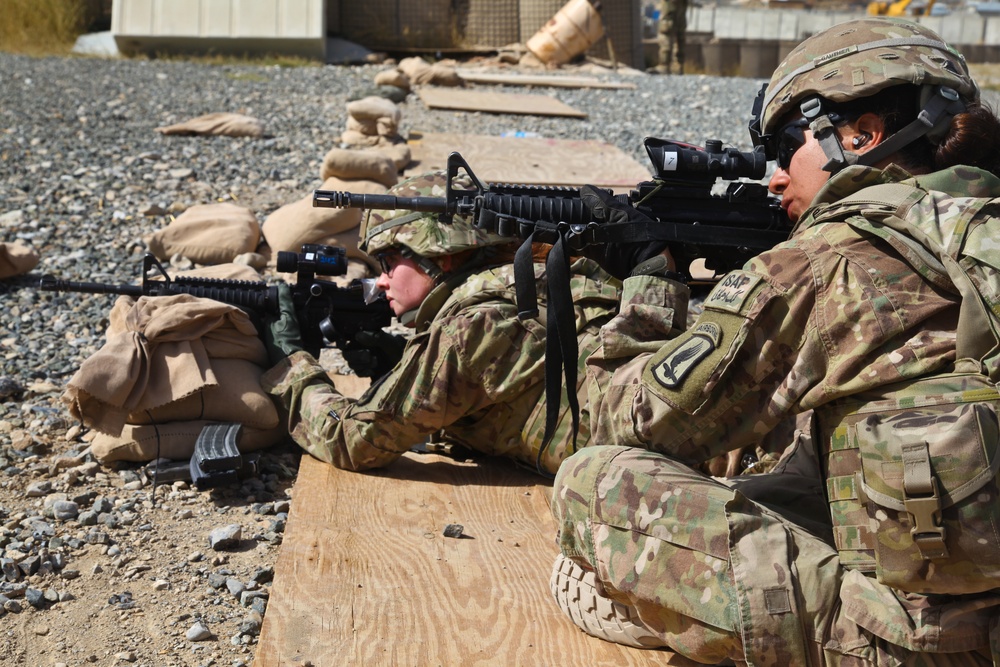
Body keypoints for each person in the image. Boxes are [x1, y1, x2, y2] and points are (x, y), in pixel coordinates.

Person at [549, 17, 1000, 665]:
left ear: (861, 135)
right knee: (797, 470)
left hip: (920, 646)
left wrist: (652, 282)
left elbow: (632, 421)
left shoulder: (831, 260)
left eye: (788, 148)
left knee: (593, 479)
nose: (776, 177)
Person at [259, 170, 623, 476]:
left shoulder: (470, 327)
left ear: (441, 257)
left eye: (387, 263)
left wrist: (291, 364)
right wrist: (402, 359)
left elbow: (350, 441)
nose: (381, 280)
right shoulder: (536, 280)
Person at [656, 0, 687, 74]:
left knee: (665, 35)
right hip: (681, 9)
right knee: (680, 36)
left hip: (670, 11)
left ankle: (664, 66)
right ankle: (678, 66)